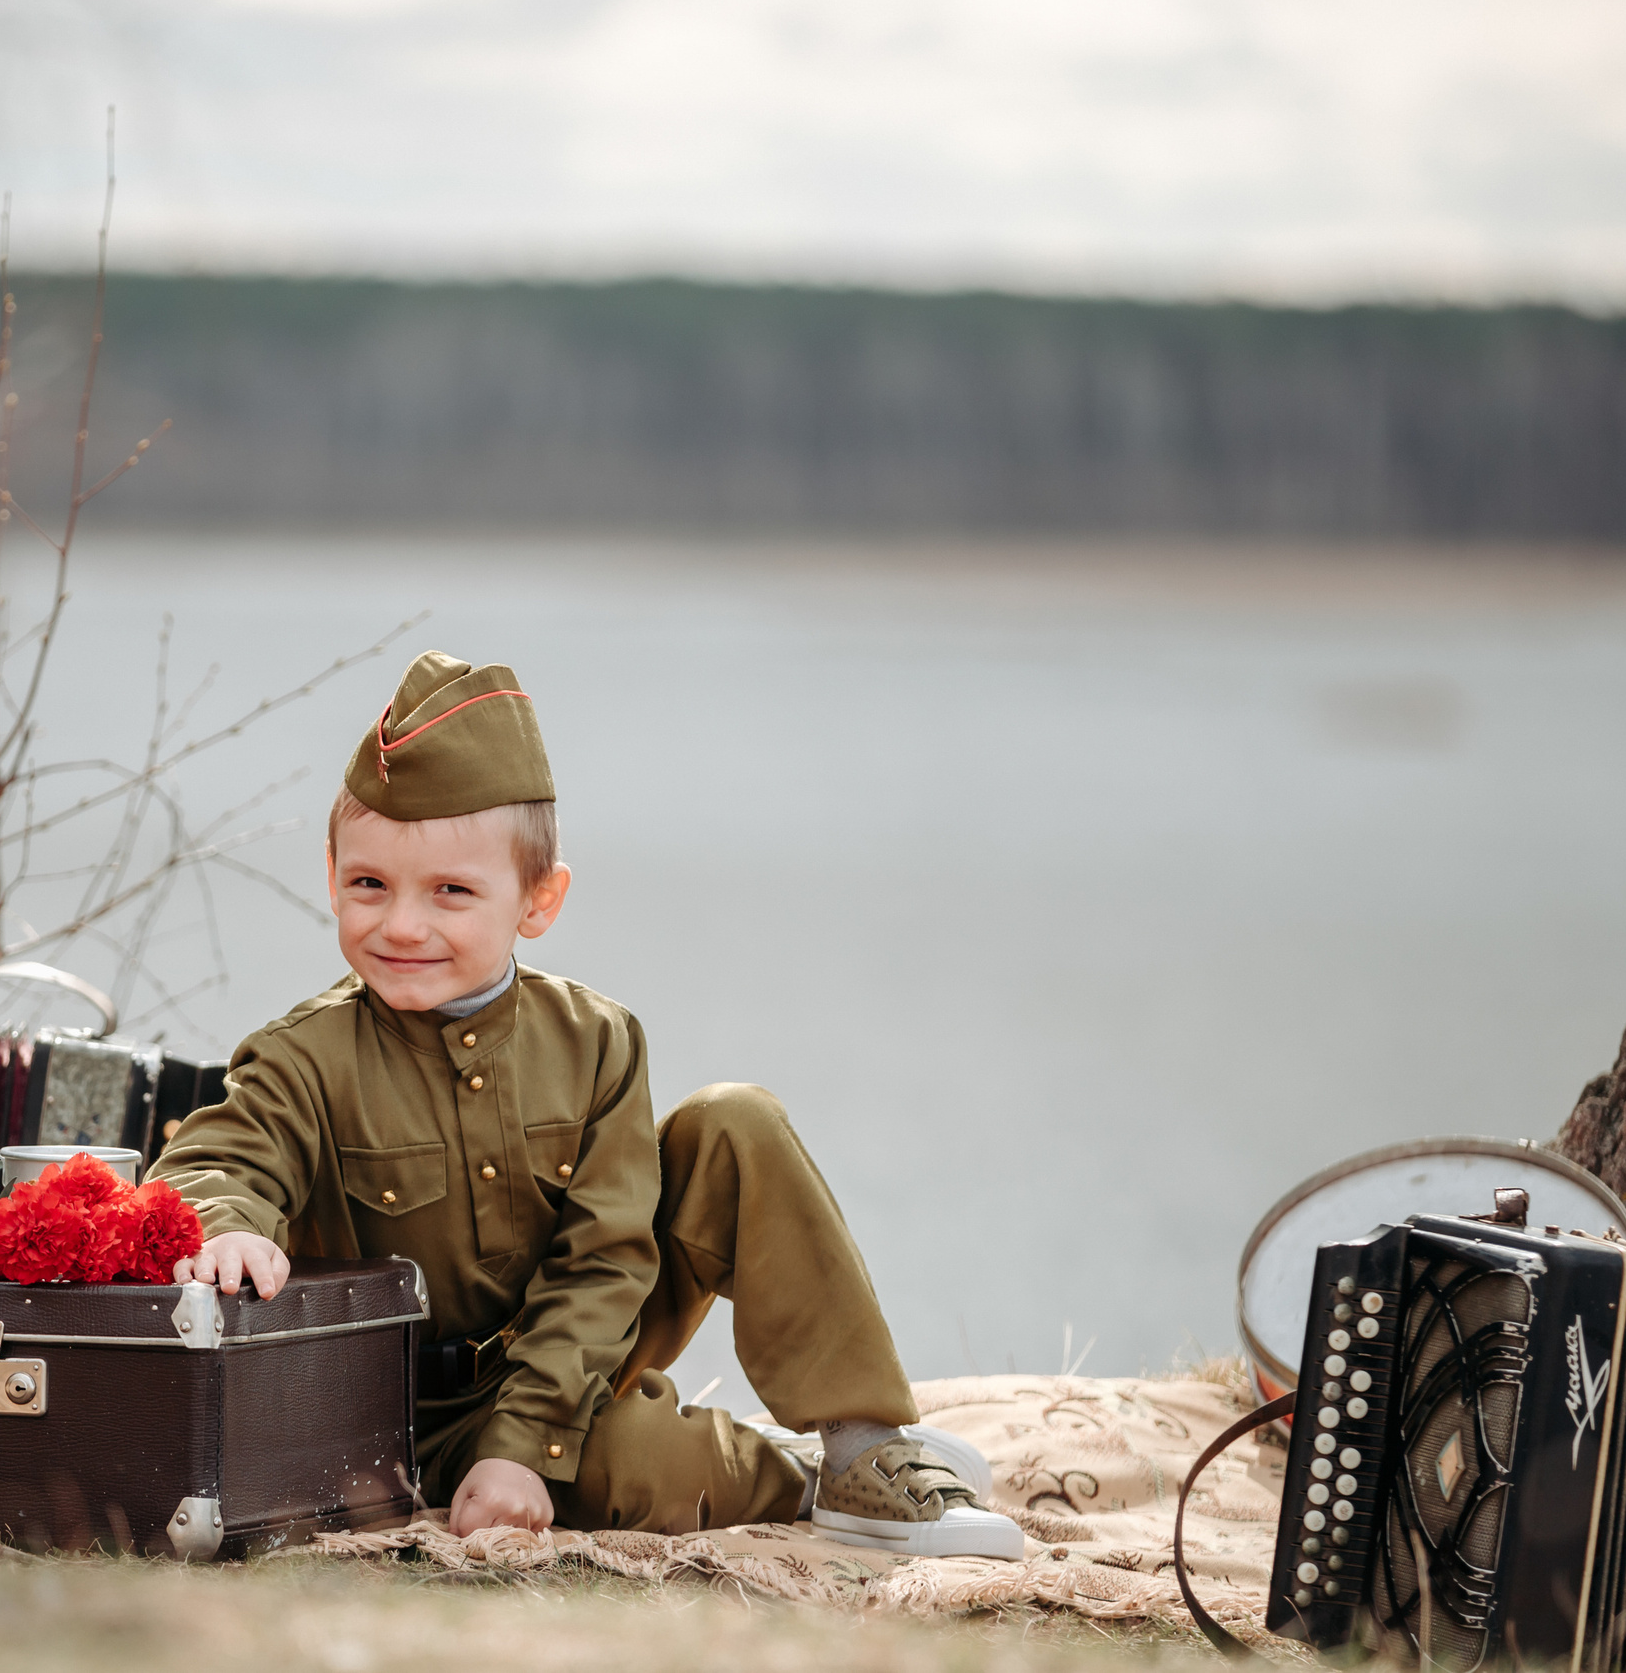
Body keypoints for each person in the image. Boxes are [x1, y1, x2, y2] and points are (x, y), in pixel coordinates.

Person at [150, 651, 1022, 1556]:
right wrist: (227, 1223)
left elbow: (607, 1258)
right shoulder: (305, 1055)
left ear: (540, 899)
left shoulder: (599, 1039)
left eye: (451, 891)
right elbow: (218, 1158)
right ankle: (798, 1481)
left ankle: (863, 1447)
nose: (403, 923)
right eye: (370, 884)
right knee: (634, 1466)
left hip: (592, 1331)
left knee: (738, 1121)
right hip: (415, 1413)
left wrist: (527, 1442)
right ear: (331, 875)